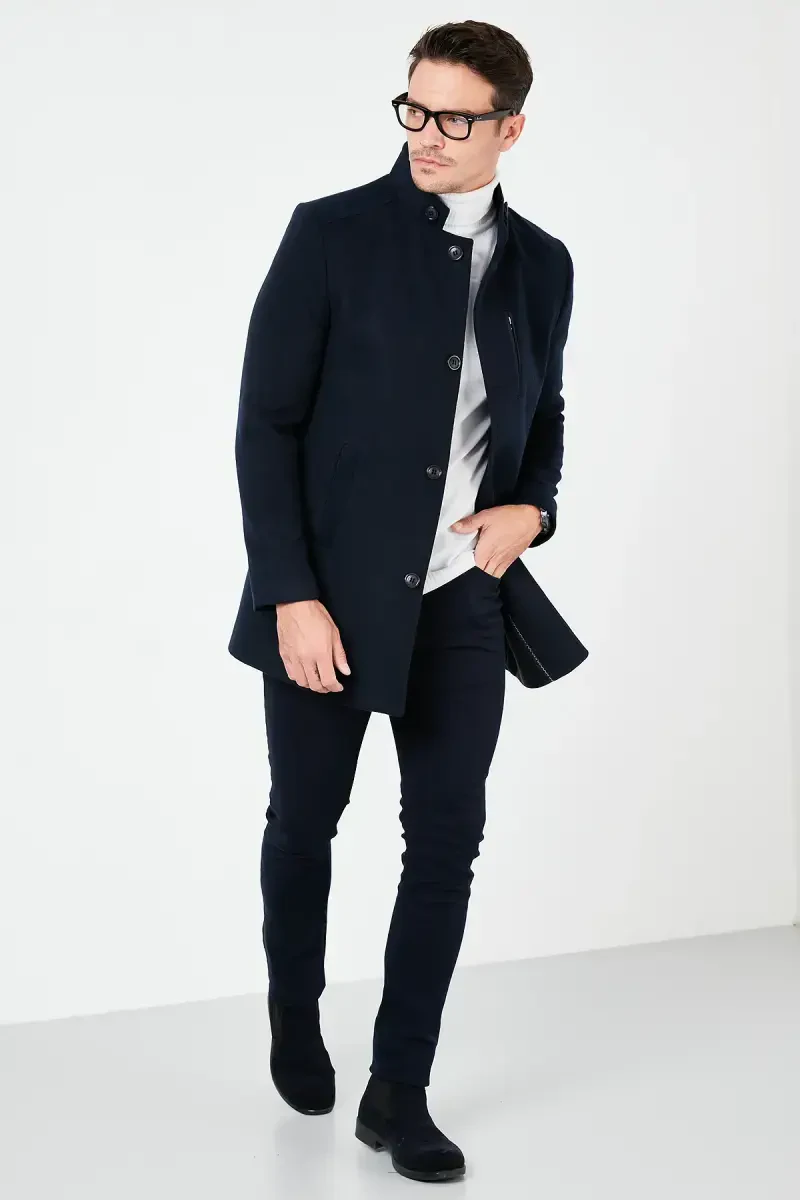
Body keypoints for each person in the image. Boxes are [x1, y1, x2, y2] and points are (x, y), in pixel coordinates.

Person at [228, 19, 575, 1184]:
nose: (426, 134)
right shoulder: (329, 235)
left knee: (445, 842)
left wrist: (533, 511)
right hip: (324, 600)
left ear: (508, 130)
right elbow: (265, 427)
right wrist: (290, 595)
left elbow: (543, 416)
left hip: (461, 601)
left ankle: (398, 1090)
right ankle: (292, 1010)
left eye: (454, 118)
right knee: (302, 823)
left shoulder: (541, 265)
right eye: (413, 108)